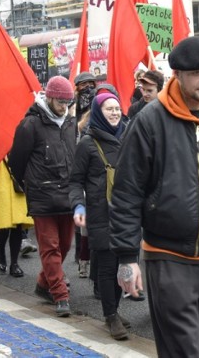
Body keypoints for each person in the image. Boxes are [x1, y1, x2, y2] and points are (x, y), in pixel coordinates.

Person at [110, 36, 199, 358]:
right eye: (197, 73)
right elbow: (126, 192)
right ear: (177, 74)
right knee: (184, 352)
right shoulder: (149, 121)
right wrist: (125, 258)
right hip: (167, 257)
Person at [8, 76, 77, 318]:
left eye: (68, 102)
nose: (65, 107)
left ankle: (42, 283)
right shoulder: (29, 124)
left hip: (67, 195)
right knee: (51, 248)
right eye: (61, 102)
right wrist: (29, 185)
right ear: (49, 97)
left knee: (66, 245)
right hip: (42, 196)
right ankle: (60, 295)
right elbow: (15, 162)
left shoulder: (70, 123)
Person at [70, 91, 129, 340]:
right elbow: (75, 181)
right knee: (107, 265)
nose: (115, 113)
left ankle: (114, 309)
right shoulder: (87, 142)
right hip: (99, 212)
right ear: (97, 112)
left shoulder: (129, 135)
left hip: (127, 211)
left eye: (117, 108)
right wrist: (78, 206)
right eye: (109, 109)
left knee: (123, 262)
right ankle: (111, 315)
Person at [0, 159, 32, 278]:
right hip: (0, 184)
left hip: (17, 184)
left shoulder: (18, 141)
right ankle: (1, 251)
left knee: (18, 225)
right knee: (3, 225)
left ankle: (14, 263)